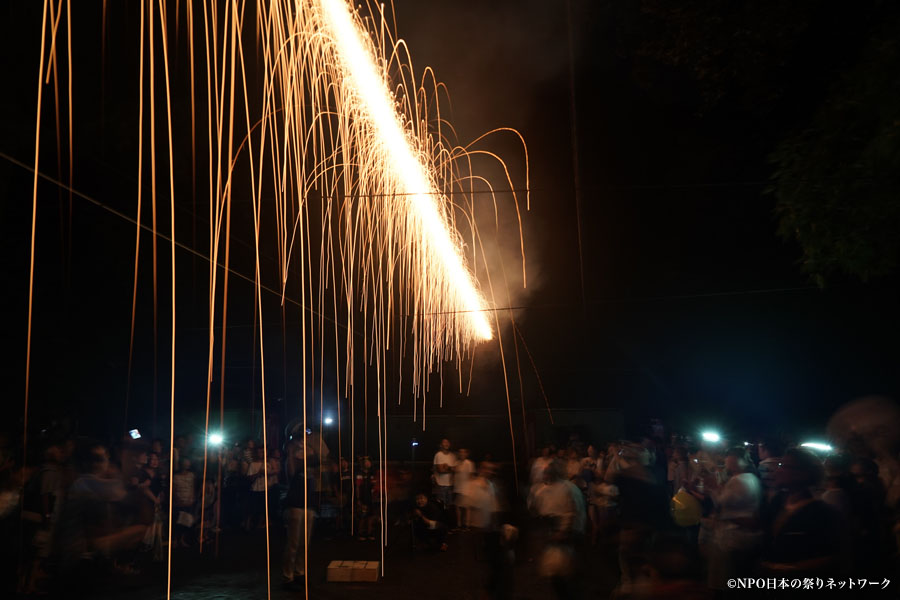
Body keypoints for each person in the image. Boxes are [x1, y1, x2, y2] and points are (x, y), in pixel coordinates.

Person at [281, 447, 316, 588]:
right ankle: (287, 576)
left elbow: (315, 455)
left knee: (304, 544)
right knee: (293, 544)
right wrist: (291, 451)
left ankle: (299, 572)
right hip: (295, 507)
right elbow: (290, 471)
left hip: (308, 507)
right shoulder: (293, 465)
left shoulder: (310, 467)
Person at [453, 448, 475, 530]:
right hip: (457, 488)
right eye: (460, 452)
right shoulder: (456, 463)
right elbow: (454, 474)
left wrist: (471, 489)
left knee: (466, 507)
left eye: (463, 452)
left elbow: (471, 477)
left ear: (466, 454)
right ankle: (459, 524)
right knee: (457, 506)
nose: (461, 454)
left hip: (466, 489)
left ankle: (466, 525)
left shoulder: (469, 463)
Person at [432, 439, 457, 510]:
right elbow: (440, 470)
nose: (446, 444)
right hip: (440, 484)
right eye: (444, 442)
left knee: (450, 505)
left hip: (451, 484)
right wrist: (450, 468)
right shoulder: (438, 455)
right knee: (440, 505)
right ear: (441, 445)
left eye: (448, 442)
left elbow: (455, 470)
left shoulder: (453, 456)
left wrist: (447, 467)